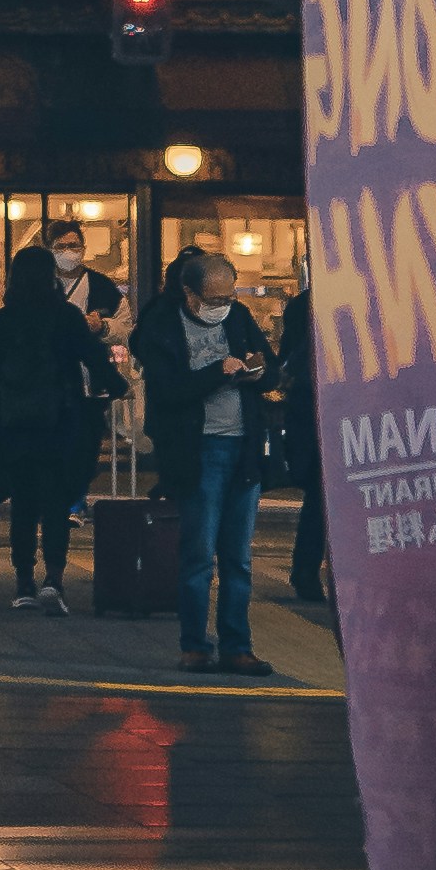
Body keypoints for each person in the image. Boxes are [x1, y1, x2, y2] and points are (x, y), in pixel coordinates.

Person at [143, 231, 279, 669]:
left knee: (238, 555)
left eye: (230, 294)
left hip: (244, 447)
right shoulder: (161, 326)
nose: (223, 303)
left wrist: (258, 371)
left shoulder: (238, 317)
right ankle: (194, 645)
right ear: (189, 292)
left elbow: (271, 369)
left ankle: (238, 646)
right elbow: (167, 392)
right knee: (199, 552)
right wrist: (218, 372)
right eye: (215, 296)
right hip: (198, 449)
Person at [0, 235, 116, 614]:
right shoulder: (65, 317)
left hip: (13, 425)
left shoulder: (2, 321)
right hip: (60, 422)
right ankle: (54, 579)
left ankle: (24, 582)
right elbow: (93, 358)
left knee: (24, 504)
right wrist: (118, 387)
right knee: (56, 502)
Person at [274, 275, 330, 616]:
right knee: (322, 498)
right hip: (318, 410)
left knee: (318, 499)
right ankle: (307, 572)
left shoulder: (303, 303)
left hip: (310, 410)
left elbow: (287, 360)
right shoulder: (308, 305)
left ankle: (307, 572)